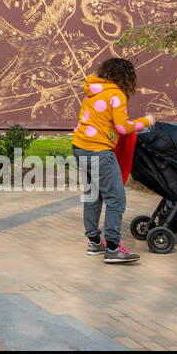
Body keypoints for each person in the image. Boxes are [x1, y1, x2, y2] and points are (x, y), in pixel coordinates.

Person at [71, 58, 155, 263]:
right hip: (99, 151)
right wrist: (147, 121)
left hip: (80, 147)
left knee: (93, 194)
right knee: (116, 199)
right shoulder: (116, 94)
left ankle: (93, 242)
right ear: (126, 76)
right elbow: (122, 127)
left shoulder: (93, 90)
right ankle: (113, 248)